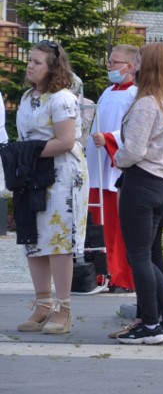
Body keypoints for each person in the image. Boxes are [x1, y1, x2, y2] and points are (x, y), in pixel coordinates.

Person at [114, 42, 163, 344]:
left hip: (141, 183)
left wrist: (117, 158)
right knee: (152, 255)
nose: (134, 65)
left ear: (151, 66)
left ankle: (150, 325)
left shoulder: (148, 103)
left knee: (139, 257)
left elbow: (133, 150)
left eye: (139, 60)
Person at [14, 40, 87, 335]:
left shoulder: (62, 99)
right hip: (32, 174)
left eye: (37, 62)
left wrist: (26, 153)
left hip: (61, 176)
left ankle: (64, 308)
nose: (30, 65)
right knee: (34, 237)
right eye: (30, 61)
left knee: (57, 239)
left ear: (52, 68)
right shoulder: (26, 97)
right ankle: (42, 304)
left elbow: (66, 141)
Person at [87, 44, 138, 292]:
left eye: (114, 63)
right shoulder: (107, 92)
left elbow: (133, 131)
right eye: (109, 62)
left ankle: (120, 276)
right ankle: (99, 273)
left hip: (115, 169)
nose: (109, 67)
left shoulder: (135, 95)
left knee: (117, 227)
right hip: (97, 168)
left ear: (130, 67)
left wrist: (109, 138)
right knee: (98, 225)